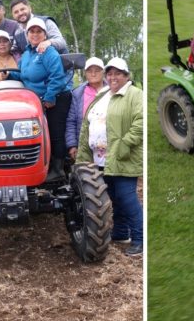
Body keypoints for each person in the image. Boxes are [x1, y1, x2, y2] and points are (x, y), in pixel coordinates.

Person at [77, 57, 143, 256]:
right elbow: (89, 122)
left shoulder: (134, 94)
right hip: (100, 158)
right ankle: (121, 233)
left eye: (118, 73)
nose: (113, 77)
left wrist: (124, 145)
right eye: (110, 73)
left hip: (122, 156)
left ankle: (140, 239)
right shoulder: (103, 93)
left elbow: (140, 123)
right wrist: (83, 155)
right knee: (113, 197)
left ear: (126, 75)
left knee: (127, 197)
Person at [7, 17, 71, 180]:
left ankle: (58, 170)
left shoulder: (48, 52)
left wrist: (49, 98)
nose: (35, 35)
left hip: (54, 98)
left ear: (45, 34)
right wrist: (6, 73)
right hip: (35, 102)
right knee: (38, 134)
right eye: (32, 32)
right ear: (27, 34)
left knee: (54, 133)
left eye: (39, 32)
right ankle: (41, 166)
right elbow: (22, 74)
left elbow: (58, 77)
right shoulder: (27, 54)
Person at [66, 57, 106, 161]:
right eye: (89, 71)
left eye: (97, 71)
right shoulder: (77, 94)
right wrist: (72, 145)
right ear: (85, 73)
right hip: (84, 145)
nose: (93, 74)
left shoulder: (111, 91)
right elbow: (71, 121)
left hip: (108, 144)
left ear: (103, 72)